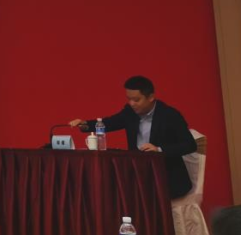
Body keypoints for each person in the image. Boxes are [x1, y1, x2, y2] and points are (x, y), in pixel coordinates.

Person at [68, 75, 197, 198]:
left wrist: (159, 149)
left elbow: (190, 145)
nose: (131, 103)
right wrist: (85, 124)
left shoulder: (170, 115)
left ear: (151, 97)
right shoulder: (130, 112)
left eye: (136, 100)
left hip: (166, 176)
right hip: (138, 174)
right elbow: (110, 123)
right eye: (129, 99)